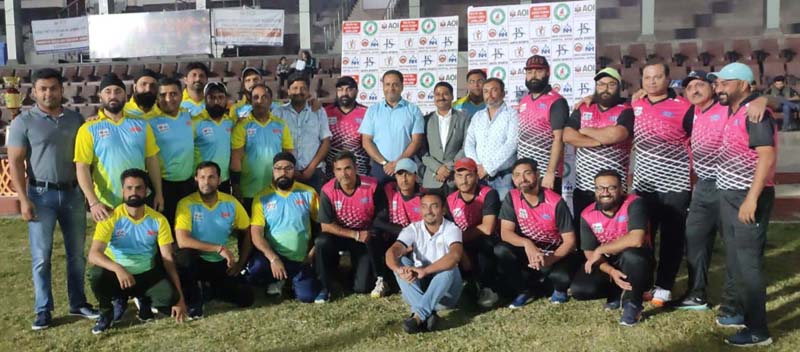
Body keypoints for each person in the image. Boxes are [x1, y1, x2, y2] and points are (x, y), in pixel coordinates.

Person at [7, 68, 99, 330]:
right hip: (41, 195)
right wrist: (23, 199)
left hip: (72, 194)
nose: (49, 93)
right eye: (43, 89)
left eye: (53, 88)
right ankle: (43, 309)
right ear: (33, 92)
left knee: (76, 255)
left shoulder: (76, 119)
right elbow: (15, 162)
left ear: (62, 90)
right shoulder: (23, 122)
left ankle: (78, 303)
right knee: (41, 256)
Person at [712, 63, 778, 347]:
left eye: (725, 83)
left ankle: (758, 331)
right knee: (737, 261)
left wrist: (751, 199)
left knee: (749, 264)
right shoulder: (737, 109)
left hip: (747, 196)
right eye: (718, 83)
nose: (719, 88)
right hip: (729, 194)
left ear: (744, 84)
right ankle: (740, 314)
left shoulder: (756, 113)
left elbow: (766, 156)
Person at [87, 169, 187, 334]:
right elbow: (93, 254)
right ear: (123, 191)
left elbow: (168, 260)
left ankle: (144, 299)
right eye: (129, 188)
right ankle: (106, 312)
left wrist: (180, 298)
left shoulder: (158, 220)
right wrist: (118, 269)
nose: (134, 192)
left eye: (138, 188)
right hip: (119, 276)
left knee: (169, 299)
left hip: (146, 274)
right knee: (96, 274)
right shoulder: (111, 217)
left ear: (146, 191)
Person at [629, 60, 693, 307]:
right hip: (645, 187)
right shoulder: (635, 105)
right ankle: (645, 283)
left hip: (675, 187)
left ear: (668, 79)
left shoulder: (684, 107)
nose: (652, 81)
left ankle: (664, 286)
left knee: (672, 239)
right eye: (647, 78)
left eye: (657, 77)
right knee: (644, 237)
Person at [671, 70, 731, 311]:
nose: (694, 90)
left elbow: (760, 102)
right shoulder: (691, 111)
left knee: (734, 245)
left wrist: (759, 99)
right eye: (689, 87)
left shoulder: (729, 106)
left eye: (700, 85)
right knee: (695, 238)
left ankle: (736, 300)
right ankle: (697, 295)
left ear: (713, 87)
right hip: (703, 186)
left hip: (730, 186)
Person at [74, 73, 163, 222]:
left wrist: (159, 193)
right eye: (108, 91)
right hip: (107, 204)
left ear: (126, 96)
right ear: (100, 96)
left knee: (144, 244)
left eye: (118, 91)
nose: (113, 95)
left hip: (140, 200)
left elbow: (152, 160)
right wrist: (93, 202)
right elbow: (82, 167)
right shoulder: (88, 129)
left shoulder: (142, 126)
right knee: (111, 245)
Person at [570, 170, 653, 326]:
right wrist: (611, 271)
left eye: (611, 188)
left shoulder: (635, 203)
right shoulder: (587, 214)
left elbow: (637, 239)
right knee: (580, 290)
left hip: (636, 260)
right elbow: (589, 252)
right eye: (600, 188)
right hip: (610, 262)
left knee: (631, 256)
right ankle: (615, 293)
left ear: (622, 189)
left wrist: (601, 249)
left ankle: (632, 305)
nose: (605, 193)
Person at [493, 158, 578, 308]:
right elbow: (505, 233)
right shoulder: (512, 197)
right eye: (517, 175)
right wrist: (527, 243)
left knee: (561, 277)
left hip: (554, 253)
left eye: (527, 173)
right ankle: (524, 291)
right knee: (501, 250)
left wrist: (549, 260)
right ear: (513, 179)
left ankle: (556, 289)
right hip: (530, 252)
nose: (522, 179)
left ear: (537, 174)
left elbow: (570, 241)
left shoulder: (555, 201)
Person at [174, 161, 254, 319]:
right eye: (202, 177)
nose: (206, 182)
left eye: (211, 177)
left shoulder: (231, 202)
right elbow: (182, 240)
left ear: (219, 179)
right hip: (197, 259)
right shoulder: (186, 204)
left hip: (220, 263)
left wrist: (241, 263)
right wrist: (219, 248)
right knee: (183, 255)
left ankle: (210, 289)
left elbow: (248, 232)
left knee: (246, 298)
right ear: (196, 179)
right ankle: (194, 300)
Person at [563, 67, 633, 231]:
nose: (605, 89)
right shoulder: (584, 107)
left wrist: (585, 131)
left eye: (611, 84)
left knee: (616, 231)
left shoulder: (626, 109)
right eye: (601, 84)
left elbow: (617, 135)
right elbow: (567, 136)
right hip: (585, 187)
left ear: (619, 87)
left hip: (613, 189)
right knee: (584, 233)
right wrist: (600, 141)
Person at [245, 152, 321, 303]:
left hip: (301, 258)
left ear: (295, 170)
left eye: (288, 168)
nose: (283, 173)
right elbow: (256, 234)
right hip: (275, 257)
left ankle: (291, 281)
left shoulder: (308, 193)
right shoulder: (261, 197)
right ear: (273, 171)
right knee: (255, 270)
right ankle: (274, 279)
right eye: (278, 168)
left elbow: (322, 226)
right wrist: (273, 258)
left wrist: (312, 253)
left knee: (307, 297)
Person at [385, 192, 464, 334]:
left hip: (445, 294)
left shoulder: (452, 228)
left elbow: (455, 255)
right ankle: (424, 315)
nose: (428, 211)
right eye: (424, 207)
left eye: (434, 206)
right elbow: (392, 252)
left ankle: (419, 313)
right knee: (401, 261)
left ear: (443, 210)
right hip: (420, 288)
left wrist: (425, 271)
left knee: (450, 268)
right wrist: (399, 270)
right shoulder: (413, 228)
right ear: (420, 209)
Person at [314, 151, 380, 303]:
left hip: (363, 237)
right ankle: (325, 287)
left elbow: (379, 218)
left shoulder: (372, 185)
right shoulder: (327, 190)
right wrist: (354, 234)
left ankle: (346, 275)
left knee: (362, 288)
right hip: (340, 235)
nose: (344, 174)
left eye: (347, 168)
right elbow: (326, 225)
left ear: (356, 168)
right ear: (334, 171)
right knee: (321, 241)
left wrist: (366, 234)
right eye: (339, 170)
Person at [446, 158, 501, 308]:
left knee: (483, 242)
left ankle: (488, 288)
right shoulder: (450, 199)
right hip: (463, 241)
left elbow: (488, 227)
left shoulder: (489, 194)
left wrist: (458, 240)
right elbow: (449, 229)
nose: (463, 180)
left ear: (477, 176)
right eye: (459, 175)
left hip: (486, 242)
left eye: (468, 175)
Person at [231, 83, 294, 211]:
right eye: (256, 97)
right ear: (250, 100)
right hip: (249, 190)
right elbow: (236, 159)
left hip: (275, 188)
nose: (260, 101)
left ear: (271, 100)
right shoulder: (242, 125)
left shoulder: (281, 124)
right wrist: (236, 186)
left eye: (264, 97)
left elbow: (288, 155)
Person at [359, 70, 425, 185]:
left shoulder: (413, 110)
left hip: (406, 166)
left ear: (402, 86)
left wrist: (397, 163)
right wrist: (385, 163)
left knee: (406, 201)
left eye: (395, 84)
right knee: (379, 202)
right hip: (380, 167)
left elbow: (416, 142)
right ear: (383, 86)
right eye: (387, 84)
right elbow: (366, 141)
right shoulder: (373, 110)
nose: (391, 88)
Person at [372, 158, 426, 298]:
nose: (404, 179)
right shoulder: (389, 190)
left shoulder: (424, 196)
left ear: (415, 175)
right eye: (400, 174)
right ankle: (382, 279)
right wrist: (402, 232)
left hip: (416, 243)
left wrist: (410, 243)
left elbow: (428, 229)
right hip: (393, 238)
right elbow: (378, 221)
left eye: (408, 174)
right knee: (374, 236)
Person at [146, 76, 195, 229]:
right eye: (163, 95)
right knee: (165, 232)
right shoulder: (150, 121)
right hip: (164, 186)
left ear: (181, 95)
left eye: (173, 94)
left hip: (188, 184)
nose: (169, 99)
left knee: (187, 229)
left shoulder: (187, 116)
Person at [517, 55, 570, 192]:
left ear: (547, 72)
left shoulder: (556, 101)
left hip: (544, 175)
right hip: (524, 174)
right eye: (529, 72)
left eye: (538, 71)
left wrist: (550, 172)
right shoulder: (524, 101)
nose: (533, 75)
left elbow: (559, 138)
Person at [273, 73, 331, 192]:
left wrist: (310, 169)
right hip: (286, 173)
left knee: (316, 209)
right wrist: (290, 169)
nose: (299, 92)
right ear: (288, 91)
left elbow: (325, 141)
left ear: (308, 91)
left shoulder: (318, 111)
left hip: (315, 172)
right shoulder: (278, 113)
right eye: (295, 88)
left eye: (303, 88)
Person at [464, 78, 519, 200]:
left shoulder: (512, 114)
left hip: (504, 177)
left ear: (503, 93)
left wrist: (488, 168)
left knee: (503, 215)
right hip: (479, 176)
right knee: (481, 215)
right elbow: (469, 143)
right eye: (486, 91)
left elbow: (512, 143)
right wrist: (477, 166)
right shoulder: (478, 116)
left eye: (494, 90)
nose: (490, 95)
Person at [421, 82, 470, 196]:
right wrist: (438, 168)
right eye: (437, 94)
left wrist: (448, 168)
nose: (441, 97)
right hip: (432, 178)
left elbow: (466, 146)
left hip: (455, 178)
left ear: (452, 96)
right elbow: (422, 150)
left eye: (445, 94)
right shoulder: (425, 120)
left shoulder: (463, 119)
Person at [193, 81, 235, 194]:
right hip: (203, 182)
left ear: (226, 100)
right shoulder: (195, 122)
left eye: (220, 97)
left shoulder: (231, 123)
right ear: (205, 99)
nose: (216, 101)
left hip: (224, 180)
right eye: (211, 97)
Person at [325, 76, 370, 178]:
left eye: (349, 89)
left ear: (356, 91)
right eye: (340, 90)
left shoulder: (366, 113)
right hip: (332, 173)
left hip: (360, 171)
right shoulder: (325, 112)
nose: (344, 93)